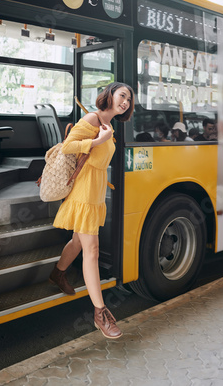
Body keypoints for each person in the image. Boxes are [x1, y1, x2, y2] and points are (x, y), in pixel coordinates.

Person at [49, 82, 134, 339]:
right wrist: (99, 140)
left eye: (129, 99)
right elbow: (67, 146)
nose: (126, 102)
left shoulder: (109, 125)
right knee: (92, 250)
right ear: (109, 95)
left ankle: (57, 273)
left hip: (95, 194)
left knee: (77, 241)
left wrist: (104, 138)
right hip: (84, 194)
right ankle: (100, 313)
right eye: (122, 95)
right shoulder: (92, 119)